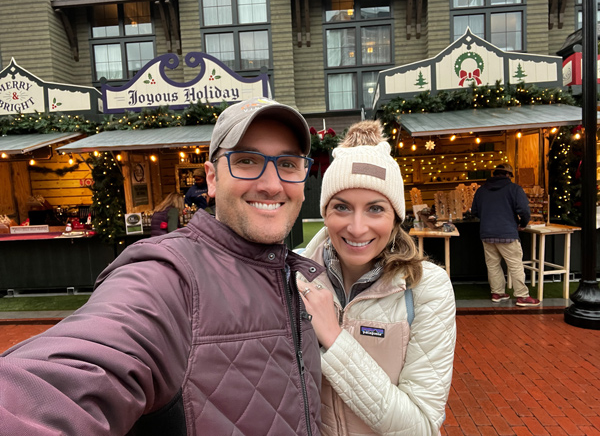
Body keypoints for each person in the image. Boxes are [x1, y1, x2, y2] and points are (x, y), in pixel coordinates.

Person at [0, 97, 324, 435]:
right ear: (212, 179)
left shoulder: (299, 275)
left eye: (287, 164)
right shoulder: (166, 275)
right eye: (246, 161)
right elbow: (65, 377)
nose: (271, 185)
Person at [297, 120, 456, 435]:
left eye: (375, 209)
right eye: (341, 207)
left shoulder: (427, 288)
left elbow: (421, 426)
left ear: (396, 217)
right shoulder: (295, 276)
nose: (357, 228)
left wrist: (335, 339)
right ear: (324, 212)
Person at [471, 163, 540, 306]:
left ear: (494, 174)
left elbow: (475, 212)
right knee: (515, 265)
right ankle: (522, 295)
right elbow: (524, 211)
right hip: (507, 232)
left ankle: (497, 293)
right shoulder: (514, 189)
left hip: (487, 233)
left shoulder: (481, 190)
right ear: (508, 175)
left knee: (493, 265)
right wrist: (522, 224)